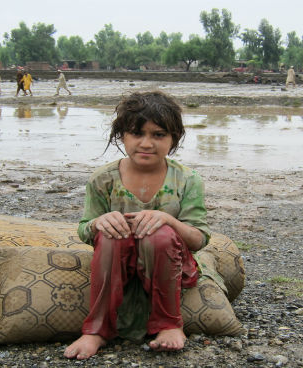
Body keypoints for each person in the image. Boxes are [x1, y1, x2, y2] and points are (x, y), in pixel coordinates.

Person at [64, 91, 210, 360]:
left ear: (173, 139)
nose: (146, 143)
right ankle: (97, 330)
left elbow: (199, 238)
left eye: (158, 135)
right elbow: (85, 230)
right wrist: (98, 222)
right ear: (122, 135)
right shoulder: (103, 180)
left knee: (160, 236)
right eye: (137, 133)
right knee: (110, 236)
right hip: (117, 265)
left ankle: (168, 324)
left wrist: (168, 220)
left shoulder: (188, 180)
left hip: (169, 264)